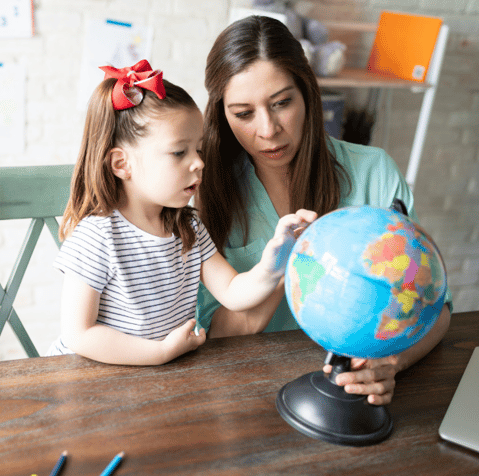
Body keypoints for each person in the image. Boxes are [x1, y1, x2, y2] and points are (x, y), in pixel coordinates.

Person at [196, 16, 452, 404]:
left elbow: (435, 304)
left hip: (349, 393)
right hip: (246, 390)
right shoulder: (205, 191)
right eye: (243, 114)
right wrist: (290, 266)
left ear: (308, 94)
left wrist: (391, 363)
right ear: (221, 114)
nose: (267, 130)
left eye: (282, 103)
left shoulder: (374, 172)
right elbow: (214, 333)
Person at [46, 60, 316, 366]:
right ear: (122, 164)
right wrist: (159, 353)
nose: (199, 163)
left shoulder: (188, 227)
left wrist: (271, 266)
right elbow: (79, 334)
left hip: (153, 380)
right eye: (179, 152)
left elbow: (231, 291)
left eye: (197, 149)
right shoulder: (97, 237)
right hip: (90, 378)